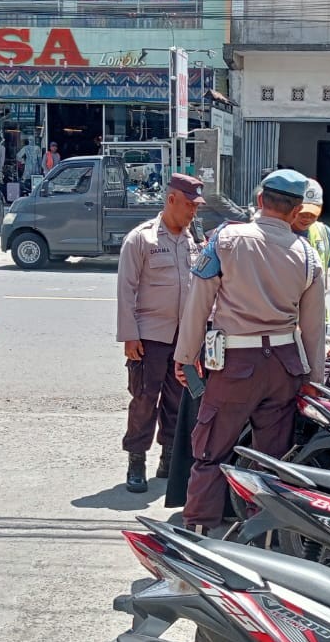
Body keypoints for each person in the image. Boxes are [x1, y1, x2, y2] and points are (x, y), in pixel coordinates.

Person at [173, 168, 326, 535]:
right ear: (295, 212)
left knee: (212, 453)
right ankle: (265, 537)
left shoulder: (224, 240)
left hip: (234, 365)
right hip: (285, 368)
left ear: (259, 201)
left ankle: (200, 534)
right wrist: (315, 385)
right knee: (271, 461)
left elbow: (198, 303)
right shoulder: (308, 255)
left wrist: (184, 357)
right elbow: (314, 330)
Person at [116, 174, 204, 493]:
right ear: (171, 200)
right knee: (144, 398)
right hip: (149, 335)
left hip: (185, 335)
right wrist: (129, 335)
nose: (194, 211)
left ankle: (169, 458)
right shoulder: (142, 239)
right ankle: (136, 460)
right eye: (190, 204)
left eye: (196, 206)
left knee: (177, 399)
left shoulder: (192, 239)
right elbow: (126, 289)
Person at [292, 178, 330, 271]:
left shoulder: (324, 233)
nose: (307, 218)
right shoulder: (278, 232)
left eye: (313, 214)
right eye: (302, 213)